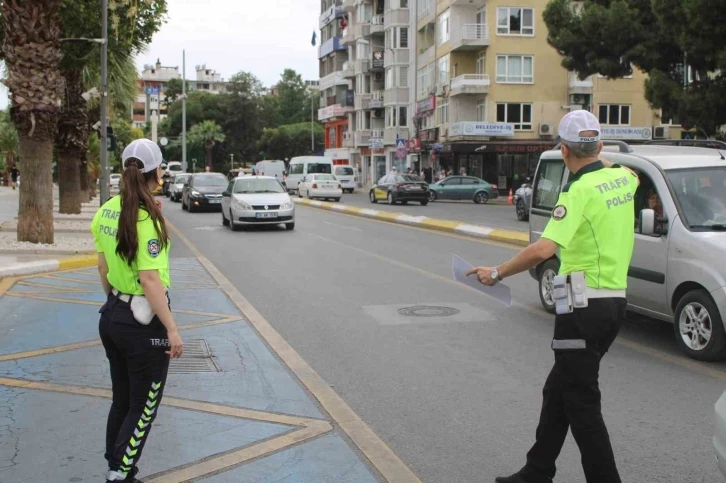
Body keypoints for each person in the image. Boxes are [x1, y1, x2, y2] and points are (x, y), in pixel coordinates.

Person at [466, 110, 639, 483]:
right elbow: (628, 170)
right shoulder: (623, 179)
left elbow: (543, 249)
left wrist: (496, 273)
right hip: (613, 305)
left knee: (582, 403)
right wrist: (596, 156)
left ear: (564, 151)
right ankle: (538, 469)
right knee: (558, 388)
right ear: (600, 146)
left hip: (582, 307)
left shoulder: (578, 192)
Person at [91, 139, 184, 483]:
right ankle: (120, 472)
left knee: (123, 399)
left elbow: (102, 268)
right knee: (143, 407)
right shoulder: (147, 219)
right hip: (143, 326)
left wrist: (116, 305)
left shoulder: (107, 209)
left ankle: (116, 461)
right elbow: (149, 279)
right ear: (155, 173)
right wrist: (171, 329)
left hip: (113, 315)